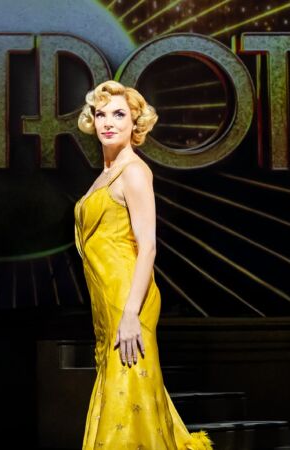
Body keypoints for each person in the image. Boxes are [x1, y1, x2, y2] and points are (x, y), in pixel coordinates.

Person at [74, 80, 212, 450]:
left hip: (128, 299)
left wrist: (131, 313)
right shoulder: (107, 173)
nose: (108, 122)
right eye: (101, 114)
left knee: (127, 399)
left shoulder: (134, 171)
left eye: (119, 114)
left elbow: (148, 246)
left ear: (135, 122)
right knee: (131, 394)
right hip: (108, 301)